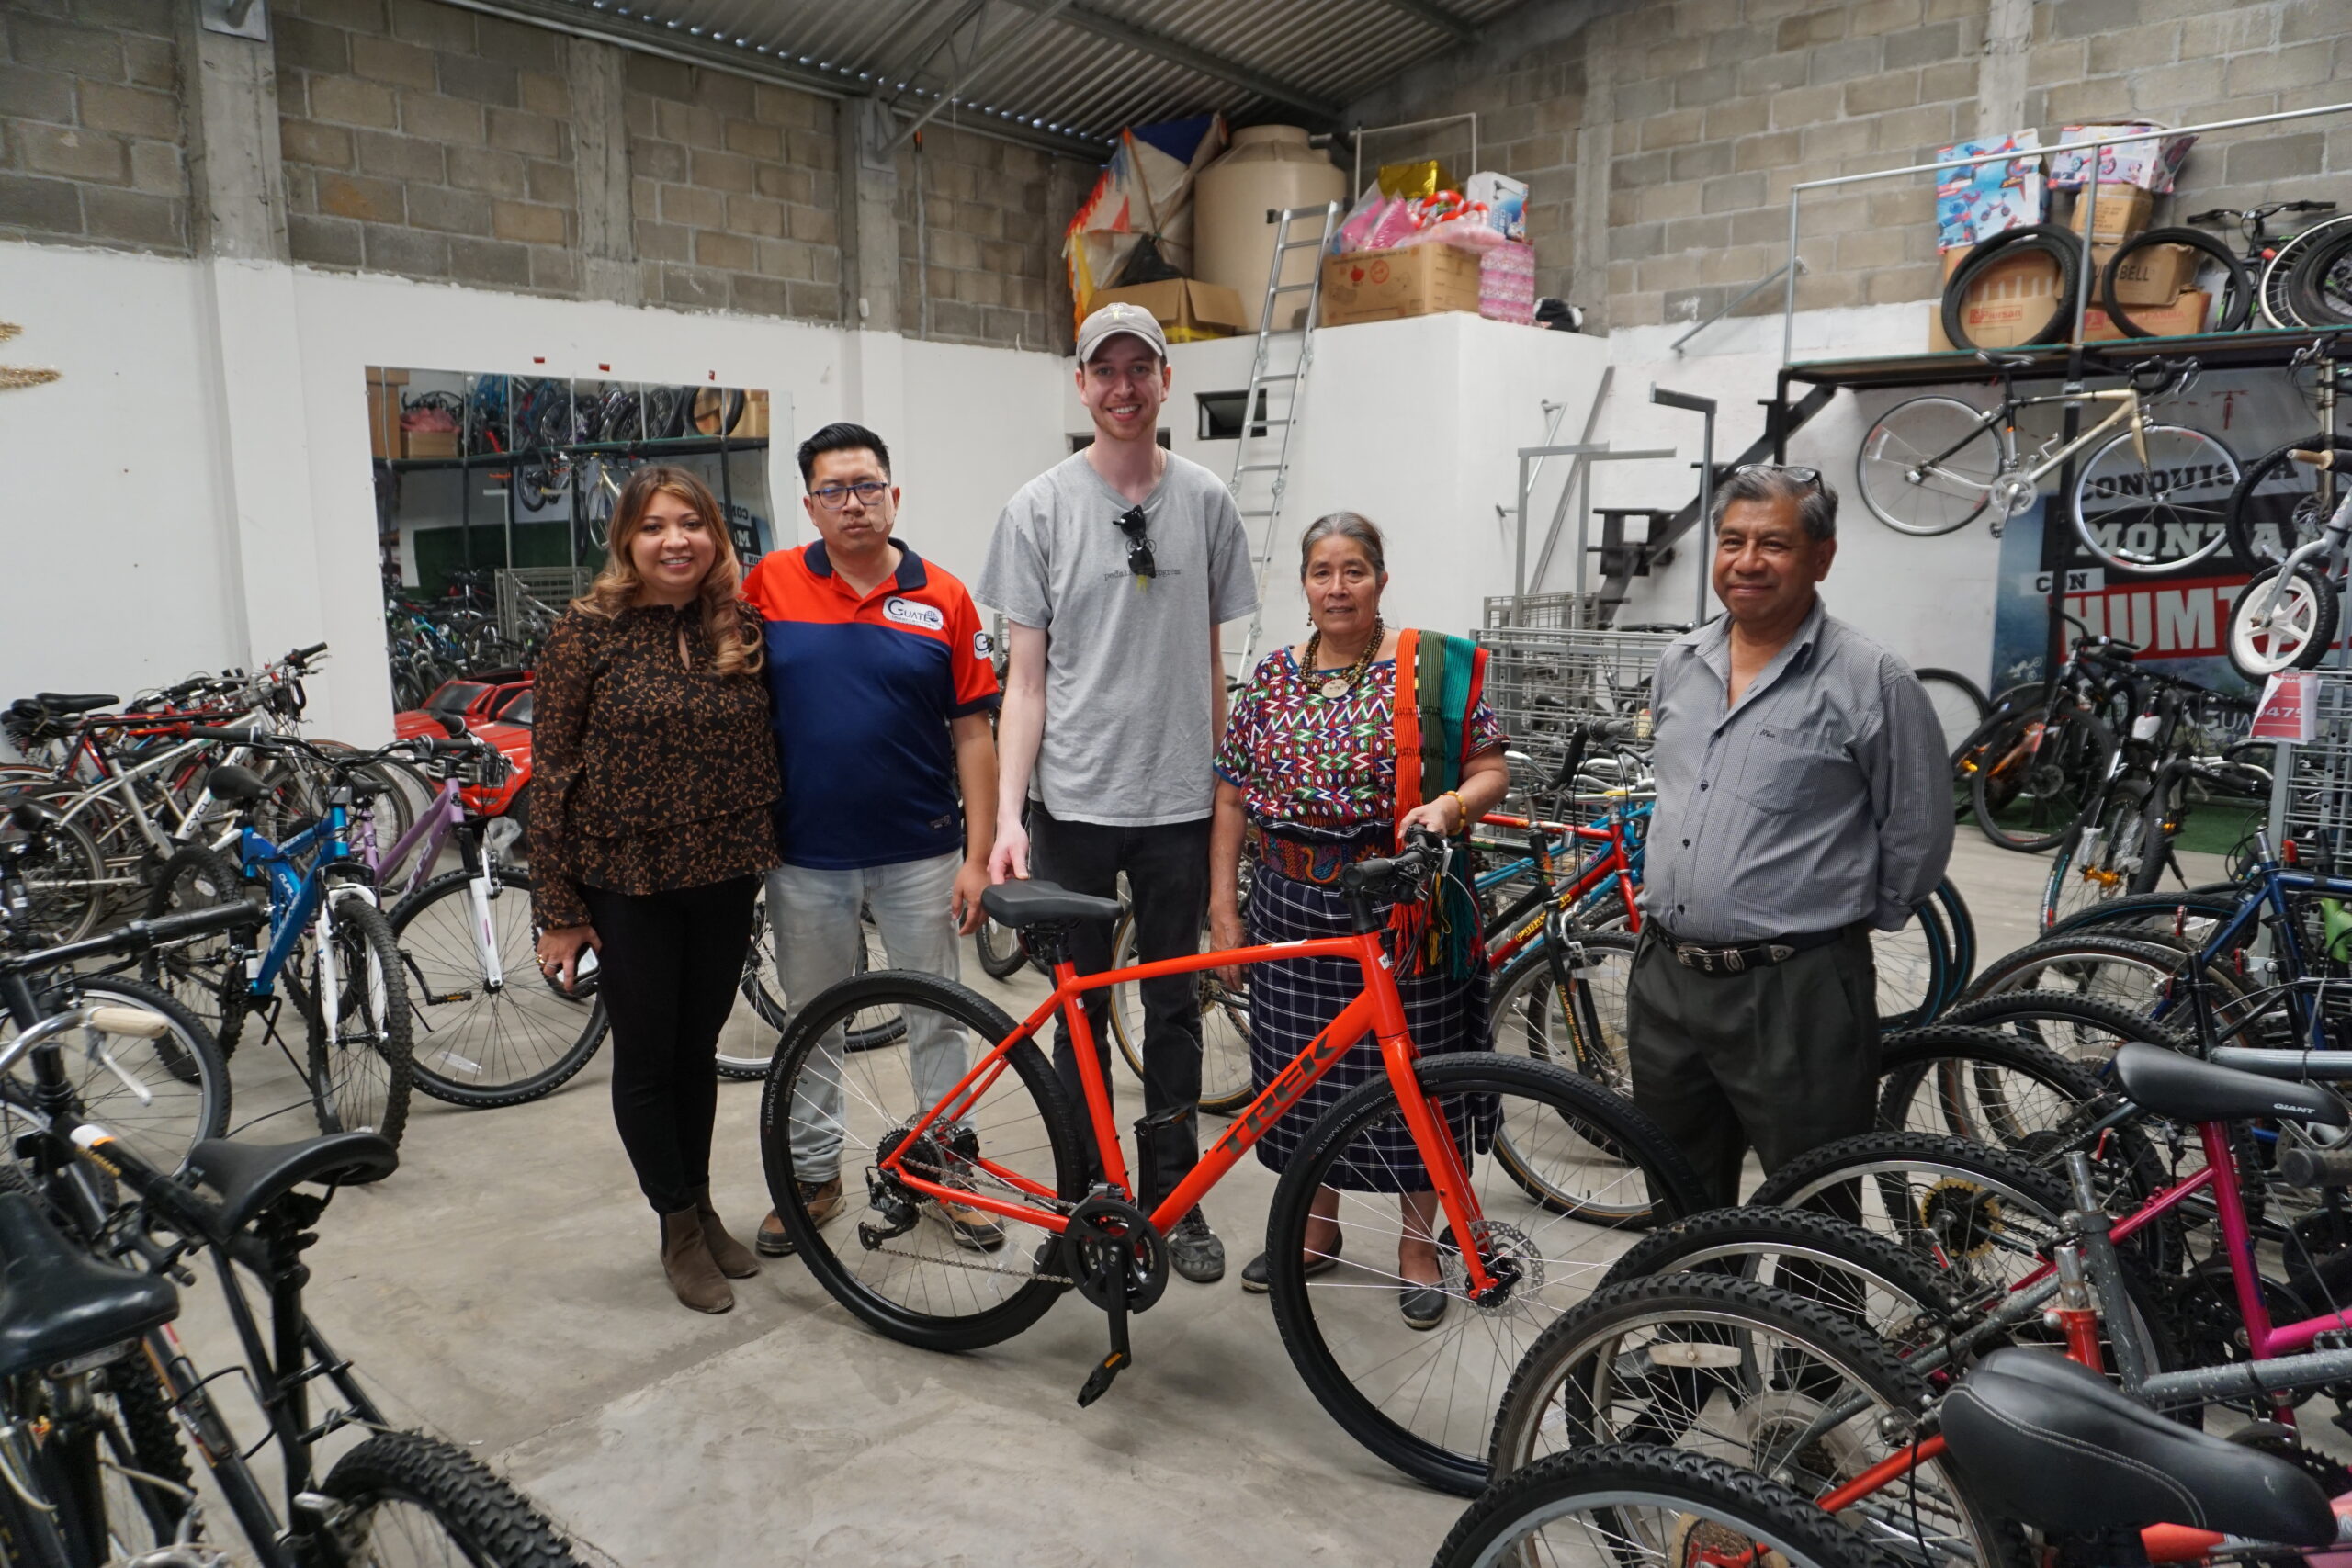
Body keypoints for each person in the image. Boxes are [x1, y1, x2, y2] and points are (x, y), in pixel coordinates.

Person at [977, 301, 1259, 1284]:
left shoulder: (1208, 502)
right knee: (1080, 1016)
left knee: (1174, 1009)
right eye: (1107, 370)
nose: (1124, 387)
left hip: (1178, 805)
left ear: (1166, 382)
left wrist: (1224, 791)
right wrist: (1009, 818)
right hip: (1074, 807)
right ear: (1082, 385)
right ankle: (1085, 1199)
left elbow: (1211, 660)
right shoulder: (1038, 509)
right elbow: (1023, 683)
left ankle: (1173, 1199)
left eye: (1142, 368)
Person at [1208, 513, 1510, 1329]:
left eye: (1354, 571)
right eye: (1322, 572)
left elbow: (1491, 770)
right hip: (1290, 908)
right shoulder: (1271, 677)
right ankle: (1316, 1226)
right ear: (1303, 584)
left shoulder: (1427, 669)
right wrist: (1226, 910)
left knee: (1416, 1081)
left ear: (1381, 579)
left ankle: (1418, 1246)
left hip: (1402, 903)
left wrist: (1448, 807)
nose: (1337, 587)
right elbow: (1231, 796)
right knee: (1300, 1077)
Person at [1631, 464, 1954, 1210]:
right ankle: (1696, 1293)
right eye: (1732, 541)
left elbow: (1918, 829)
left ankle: (1811, 1299)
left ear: (1822, 557)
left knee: (1814, 1207)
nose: (1747, 561)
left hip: (1796, 990)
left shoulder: (1872, 678)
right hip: (1666, 978)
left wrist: (1833, 932)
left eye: (1773, 543)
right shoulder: (1680, 663)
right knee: (1678, 1200)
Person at [740, 422, 1004, 1258]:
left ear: (894, 494)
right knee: (811, 1023)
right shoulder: (768, 586)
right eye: (833, 490)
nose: (852, 503)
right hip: (804, 854)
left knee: (938, 1015)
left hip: (921, 852)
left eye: (866, 486)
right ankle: (815, 1176)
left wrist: (977, 855)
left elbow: (974, 733)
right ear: (809, 504)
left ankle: (944, 1172)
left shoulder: (945, 597)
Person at [531, 465, 781, 1314]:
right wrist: (559, 910)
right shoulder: (586, 632)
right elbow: (551, 773)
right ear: (626, 541)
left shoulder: (738, 624)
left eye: (691, 523)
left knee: (694, 1051)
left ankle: (700, 1204)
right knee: (646, 1057)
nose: (676, 541)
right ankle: (676, 1226)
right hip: (626, 879)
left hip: (723, 873)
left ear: (715, 535)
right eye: (654, 526)